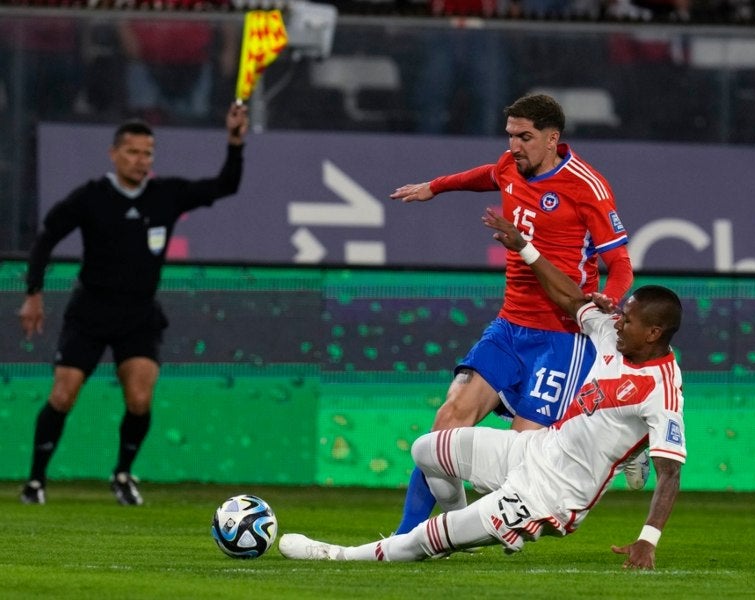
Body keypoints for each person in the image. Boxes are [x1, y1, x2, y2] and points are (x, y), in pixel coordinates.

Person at [279, 208, 685, 568]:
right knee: (427, 449)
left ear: (652, 333)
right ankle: (467, 534)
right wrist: (526, 248)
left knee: (429, 538)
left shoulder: (662, 391)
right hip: (535, 450)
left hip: (552, 495)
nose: (617, 321)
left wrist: (648, 540)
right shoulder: (610, 336)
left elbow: (670, 474)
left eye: (628, 320)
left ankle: (336, 555)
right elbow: (569, 297)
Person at [389, 93, 635, 534]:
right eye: (510, 136)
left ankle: (613, 456)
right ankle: (408, 537)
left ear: (552, 138)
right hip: (508, 327)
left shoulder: (587, 187)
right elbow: (487, 175)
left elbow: (620, 264)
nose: (514, 146)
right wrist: (436, 187)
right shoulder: (509, 165)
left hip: (562, 338)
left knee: (522, 462)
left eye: (524, 137)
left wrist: (610, 298)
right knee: (445, 425)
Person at [18, 103, 249, 506]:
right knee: (63, 395)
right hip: (90, 312)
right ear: (114, 153)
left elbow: (225, 186)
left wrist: (234, 140)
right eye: (133, 152)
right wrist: (33, 292)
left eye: (147, 153)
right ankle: (35, 481)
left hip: (138, 315)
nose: (141, 160)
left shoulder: (166, 195)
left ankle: (123, 475)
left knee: (140, 399)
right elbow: (47, 237)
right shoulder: (90, 197)